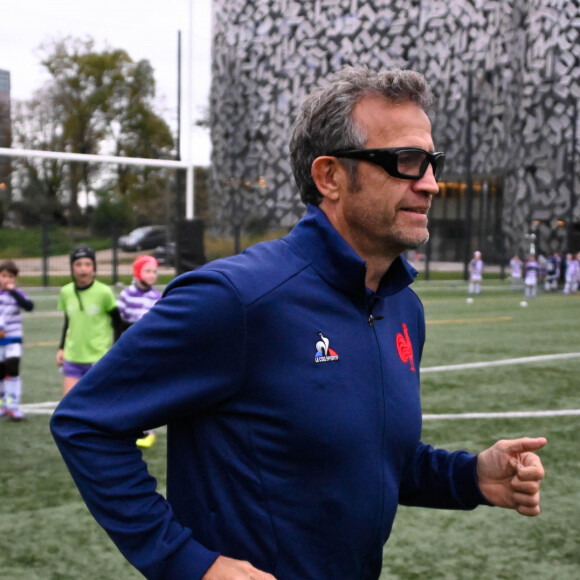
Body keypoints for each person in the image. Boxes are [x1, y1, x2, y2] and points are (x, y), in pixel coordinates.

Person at [51, 68, 547, 580]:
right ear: (329, 176)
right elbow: (86, 422)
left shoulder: (404, 308)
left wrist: (471, 479)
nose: (430, 183)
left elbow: (365, 458)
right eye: (405, 162)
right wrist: (190, 564)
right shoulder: (236, 299)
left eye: (431, 163)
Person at [56, 245, 121, 395]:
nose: (83, 269)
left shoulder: (104, 292)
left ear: (94, 267)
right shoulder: (66, 292)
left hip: (99, 358)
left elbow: (117, 322)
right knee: (69, 405)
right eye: (78, 264)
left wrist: (115, 348)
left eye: (87, 264)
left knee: (99, 406)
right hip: (73, 357)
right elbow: (68, 321)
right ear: (72, 268)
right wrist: (61, 348)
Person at [117, 255, 162, 448]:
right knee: (127, 388)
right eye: (147, 271)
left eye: (154, 271)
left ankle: (147, 430)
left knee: (146, 390)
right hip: (130, 350)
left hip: (149, 351)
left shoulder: (157, 297)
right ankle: (127, 426)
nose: (152, 275)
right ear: (137, 273)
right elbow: (119, 322)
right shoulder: (126, 295)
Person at [0, 260, 34, 421]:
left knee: (13, 368)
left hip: (13, 338)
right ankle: (2, 404)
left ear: (15, 279)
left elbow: (29, 306)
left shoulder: (17, 294)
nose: (7, 279)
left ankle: (13, 405)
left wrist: (13, 292)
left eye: (11, 276)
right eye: (4, 275)